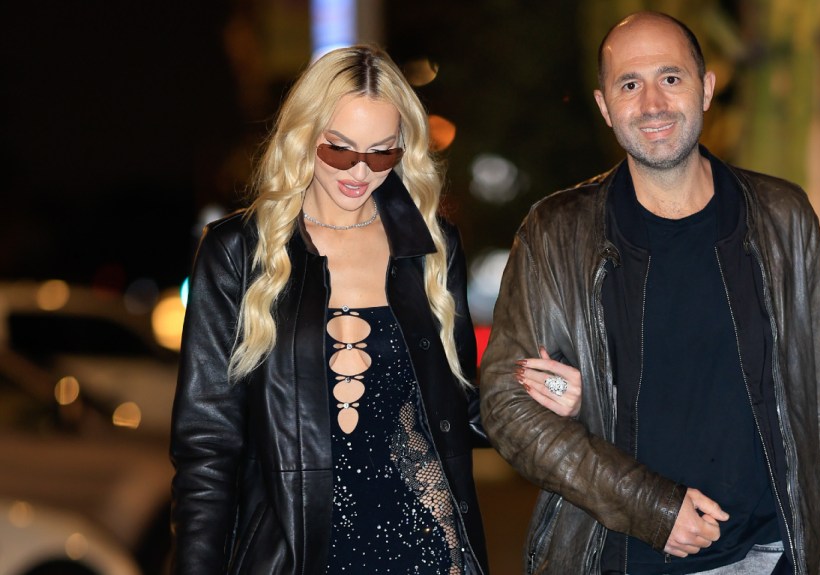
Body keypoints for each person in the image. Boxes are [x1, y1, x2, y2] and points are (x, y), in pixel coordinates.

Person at [169, 45, 577, 575]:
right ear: (304, 136)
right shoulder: (238, 252)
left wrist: (535, 393)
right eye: (339, 150)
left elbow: (454, 411)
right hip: (297, 555)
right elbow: (207, 450)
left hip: (426, 550)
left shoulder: (430, 246)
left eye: (382, 153)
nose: (360, 172)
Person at [480, 11, 820, 575]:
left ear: (707, 89)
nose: (652, 103)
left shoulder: (782, 217)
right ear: (605, 105)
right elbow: (506, 405)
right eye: (630, 84)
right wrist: (653, 508)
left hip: (764, 556)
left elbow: (817, 417)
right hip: (614, 556)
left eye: (671, 78)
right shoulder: (557, 233)